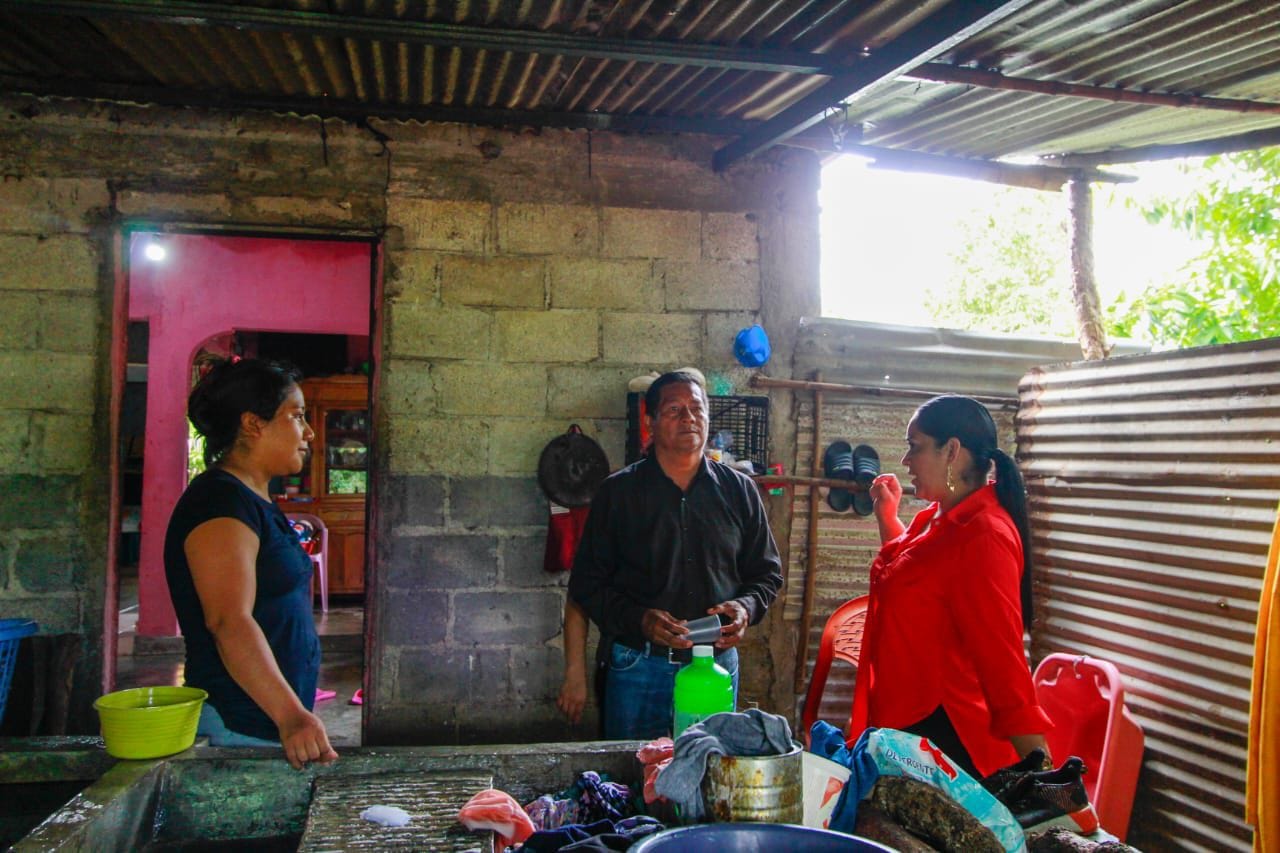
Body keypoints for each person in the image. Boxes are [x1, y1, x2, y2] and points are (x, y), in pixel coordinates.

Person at [568, 370, 783, 740]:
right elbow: (587, 585)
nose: (689, 418)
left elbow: (767, 574)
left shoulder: (739, 491)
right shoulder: (617, 494)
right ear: (650, 423)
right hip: (638, 666)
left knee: (708, 775)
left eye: (697, 408)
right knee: (632, 778)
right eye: (674, 409)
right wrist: (639, 620)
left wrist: (745, 607)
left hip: (714, 667)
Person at [852, 393, 1051, 780]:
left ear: (952, 450)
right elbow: (912, 582)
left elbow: (1003, 660)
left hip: (944, 736)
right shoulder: (936, 519)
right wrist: (888, 518)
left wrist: (1045, 777)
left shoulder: (983, 535)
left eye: (915, 447)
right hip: (905, 723)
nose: (906, 460)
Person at [164, 357, 338, 770]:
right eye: (296, 416)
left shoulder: (254, 499)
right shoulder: (220, 502)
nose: (309, 432)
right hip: (239, 722)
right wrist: (291, 716)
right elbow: (229, 621)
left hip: (265, 722)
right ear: (253, 423)